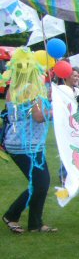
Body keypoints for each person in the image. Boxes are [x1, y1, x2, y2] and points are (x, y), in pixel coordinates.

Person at [2, 47, 57, 233]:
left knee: (39, 183)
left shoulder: (12, 90)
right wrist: (56, 111)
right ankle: (11, 215)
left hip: (17, 142)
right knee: (40, 183)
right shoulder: (33, 90)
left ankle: (35, 223)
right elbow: (39, 117)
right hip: (27, 145)